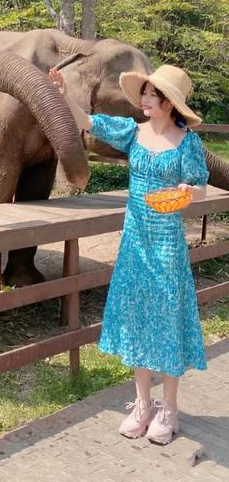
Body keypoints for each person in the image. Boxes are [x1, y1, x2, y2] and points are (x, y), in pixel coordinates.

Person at [49, 63, 209, 445]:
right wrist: (63, 95)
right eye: (145, 93)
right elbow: (88, 122)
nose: (144, 99)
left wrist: (188, 190)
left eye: (151, 95)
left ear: (169, 103)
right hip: (135, 241)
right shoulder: (133, 133)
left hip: (167, 241)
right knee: (137, 317)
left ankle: (168, 408)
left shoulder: (187, 144)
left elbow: (201, 188)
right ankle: (142, 404)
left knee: (167, 319)